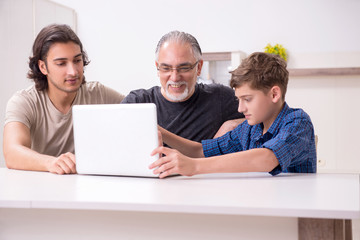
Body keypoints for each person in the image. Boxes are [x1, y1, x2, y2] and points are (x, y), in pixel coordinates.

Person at [149, 52, 317, 178]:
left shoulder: (298, 122)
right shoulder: (248, 129)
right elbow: (201, 151)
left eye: (247, 99)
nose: (240, 108)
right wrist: (160, 132)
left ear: (274, 94)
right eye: (238, 100)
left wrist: (194, 167)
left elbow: (267, 158)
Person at [3, 24, 125, 174]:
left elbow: (144, 118)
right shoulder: (24, 102)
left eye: (77, 60)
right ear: (43, 67)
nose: (73, 71)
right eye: (61, 63)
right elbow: (12, 152)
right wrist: (52, 163)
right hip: (39, 189)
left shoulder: (99, 94)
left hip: (88, 188)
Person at [122, 31, 244, 142]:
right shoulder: (137, 102)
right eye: (166, 68)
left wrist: (236, 124)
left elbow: (261, 120)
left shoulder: (220, 98)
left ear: (199, 67)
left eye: (184, 68)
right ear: (157, 67)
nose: (175, 77)